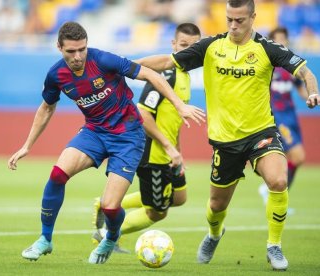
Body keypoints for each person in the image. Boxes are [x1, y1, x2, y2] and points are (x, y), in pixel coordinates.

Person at [135, 0, 320, 271]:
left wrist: (313, 91)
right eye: (229, 19)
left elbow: (304, 71)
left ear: (253, 17)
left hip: (261, 132)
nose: (233, 26)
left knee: (279, 181)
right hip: (225, 142)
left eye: (240, 21)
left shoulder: (267, 49)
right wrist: (123, 66)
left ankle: (274, 246)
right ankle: (214, 234)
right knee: (216, 205)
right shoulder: (211, 46)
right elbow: (166, 61)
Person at [7, 21, 205, 265]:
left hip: (129, 136)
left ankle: (111, 237)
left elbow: (150, 74)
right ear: (59, 47)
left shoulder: (103, 60)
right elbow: (47, 107)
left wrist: (179, 105)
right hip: (94, 131)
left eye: (82, 49)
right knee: (57, 175)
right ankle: (45, 239)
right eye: (71, 51)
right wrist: (27, 145)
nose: (78, 56)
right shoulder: (56, 75)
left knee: (111, 207)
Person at [92, 23, 201, 252]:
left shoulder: (185, 75)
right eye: (183, 46)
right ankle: (105, 235)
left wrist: (177, 150)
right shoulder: (166, 75)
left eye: (194, 47)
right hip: (152, 153)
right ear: (173, 45)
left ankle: (106, 205)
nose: (188, 52)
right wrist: (168, 147)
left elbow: (173, 119)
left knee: (179, 198)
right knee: (156, 212)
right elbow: (143, 114)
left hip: (168, 151)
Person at [258, 27, 308, 207]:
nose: (281, 43)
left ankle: (276, 193)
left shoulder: (290, 67)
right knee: (297, 156)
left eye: (283, 40)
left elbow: (301, 89)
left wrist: (311, 96)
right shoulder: (267, 65)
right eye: (277, 40)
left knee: (292, 158)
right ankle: (275, 191)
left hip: (291, 116)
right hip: (276, 116)